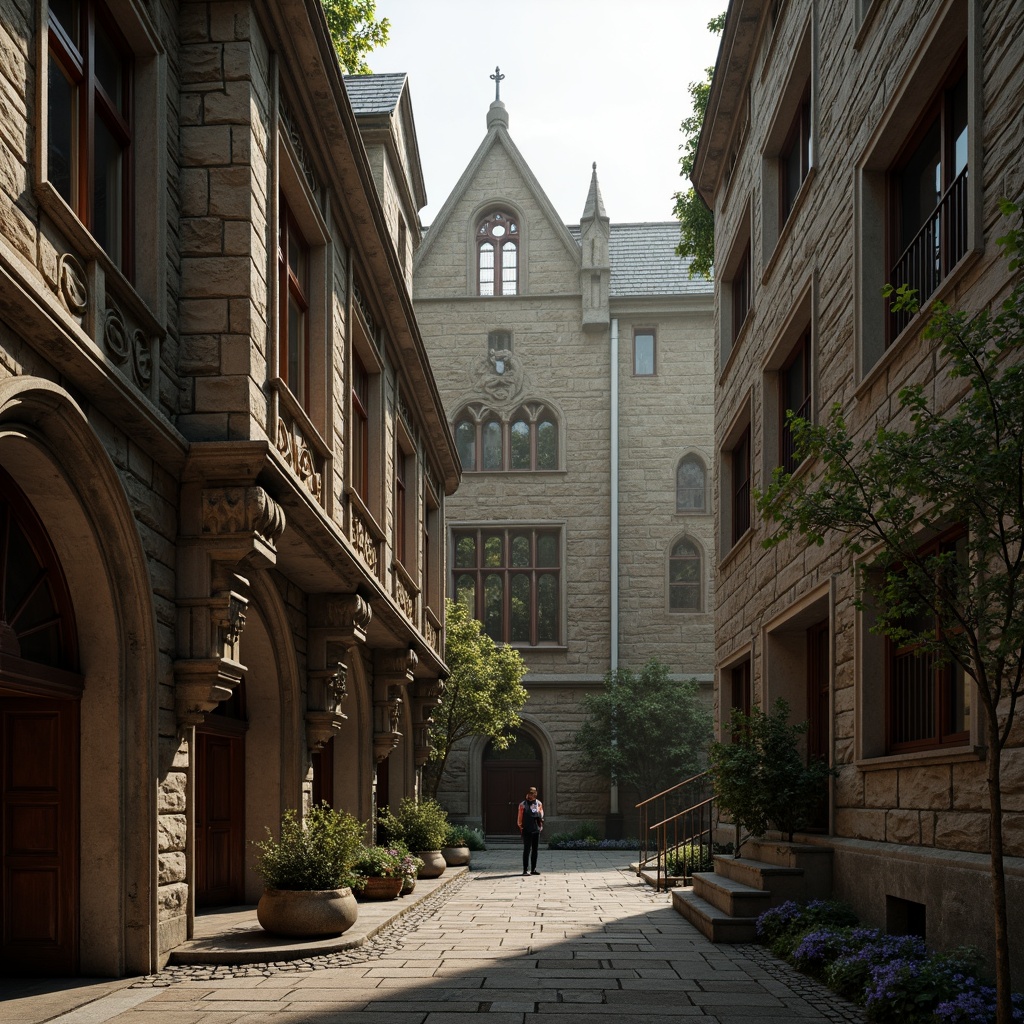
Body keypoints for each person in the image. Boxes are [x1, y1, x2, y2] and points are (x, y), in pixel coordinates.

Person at [517, 786, 544, 875]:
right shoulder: (523, 804)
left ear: (535, 794)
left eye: (532, 794)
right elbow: (520, 818)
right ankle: (525, 869)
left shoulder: (538, 803)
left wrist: (540, 826)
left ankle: (533, 869)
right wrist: (521, 827)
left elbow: (541, 814)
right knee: (527, 849)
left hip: (536, 829)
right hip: (527, 829)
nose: (531, 795)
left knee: (535, 850)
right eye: (529, 793)